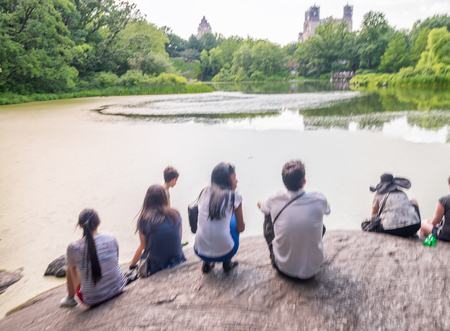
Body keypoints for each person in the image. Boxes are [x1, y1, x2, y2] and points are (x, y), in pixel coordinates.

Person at [257, 160, 330, 280]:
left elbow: (260, 205)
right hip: (312, 269)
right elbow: (327, 211)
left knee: (267, 214)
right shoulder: (319, 198)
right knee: (319, 224)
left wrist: (262, 203)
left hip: (283, 268)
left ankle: (279, 252)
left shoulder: (274, 199)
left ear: (284, 183)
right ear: (304, 181)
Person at [60, 209, 126, 308]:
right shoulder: (111, 237)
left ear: (80, 225)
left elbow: (72, 268)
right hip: (118, 288)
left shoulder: (73, 247)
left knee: (70, 268)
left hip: (92, 299)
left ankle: (70, 299)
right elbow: (116, 259)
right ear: (99, 223)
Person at [194, 163, 245, 273]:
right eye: (234, 177)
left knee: (213, 219)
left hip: (200, 251)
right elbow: (240, 228)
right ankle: (228, 261)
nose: (237, 181)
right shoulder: (235, 197)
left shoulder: (204, 192)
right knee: (233, 221)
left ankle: (207, 263)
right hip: (227, 252)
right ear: (227, 181)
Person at [130, 185, 185, 276]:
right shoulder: (175, 214)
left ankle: (132, 265)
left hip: (157, 265)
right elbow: (180, 237)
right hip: (177, 258)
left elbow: (144, 246)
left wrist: (132, 265)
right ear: (165, 198)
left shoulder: (143, 219)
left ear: (147, 199)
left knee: (144, 251)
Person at [369, 173, 421, 237]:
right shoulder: (402, 193)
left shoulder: (377, 195)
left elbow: (374, 215)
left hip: (391, 230)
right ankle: (413, 225)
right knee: (414, 201)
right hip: (413, 227)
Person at [420, 176, 450, 241]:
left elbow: (436, 221)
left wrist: (431, 222)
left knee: (422, 223)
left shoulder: (444, 200)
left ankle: (425, 246)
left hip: (446, 236)